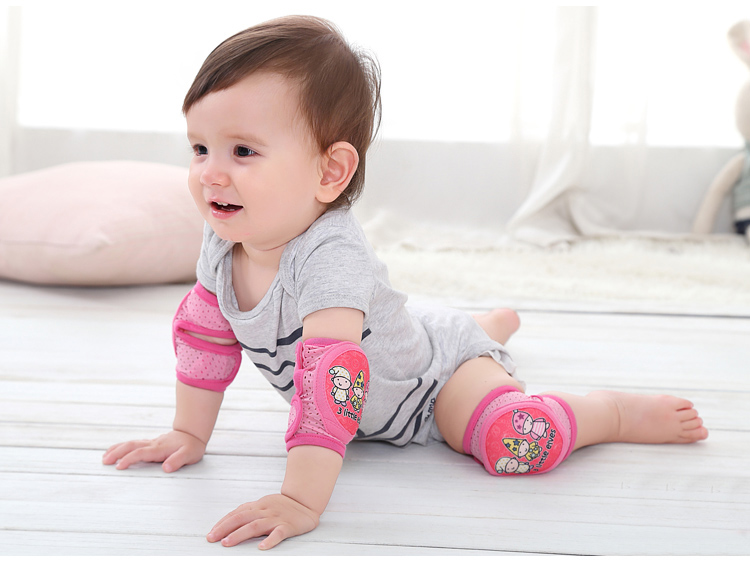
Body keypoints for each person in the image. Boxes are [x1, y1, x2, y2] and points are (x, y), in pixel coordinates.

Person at [102, 15, 708, 550]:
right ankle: (481, 327)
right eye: (200, 148)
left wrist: (300, 500)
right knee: (417, 327)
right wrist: (188, 432)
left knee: (512, 443)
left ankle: (609, 411)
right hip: (404, 348)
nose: (210, 173)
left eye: (242, 151)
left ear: (330, 171)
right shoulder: (223, 238)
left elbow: (331, 383)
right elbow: (205, 338)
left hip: (434, 387)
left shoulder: (330, 258)